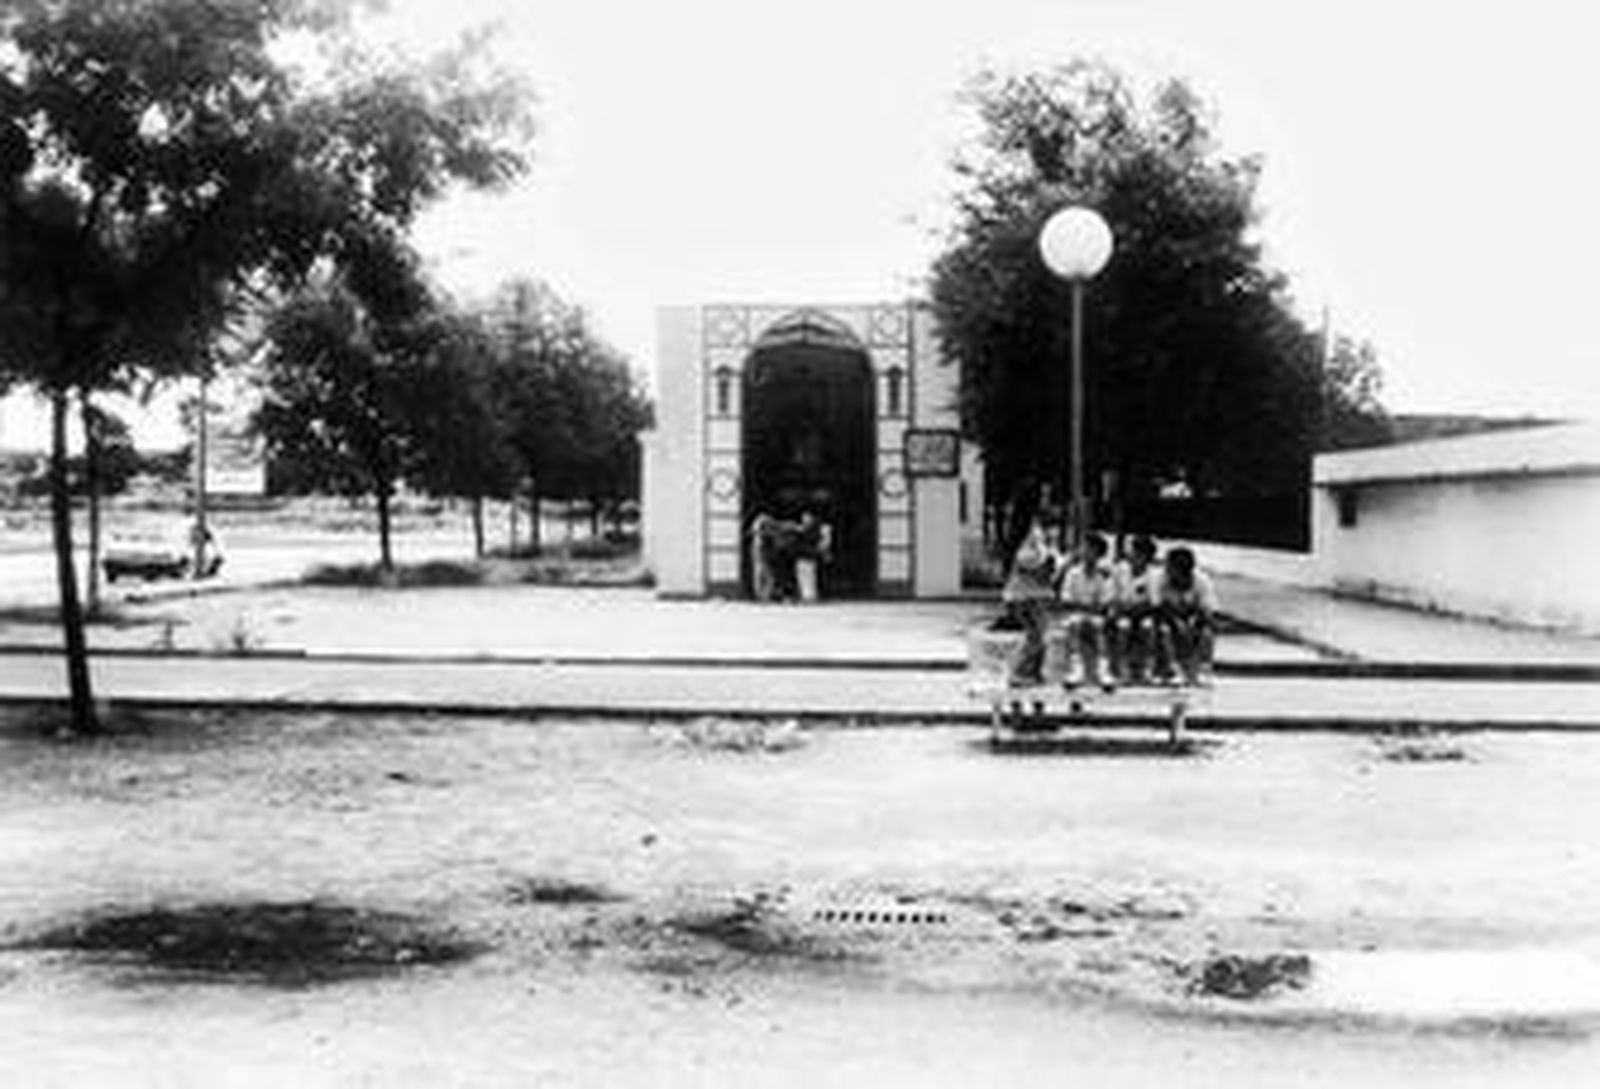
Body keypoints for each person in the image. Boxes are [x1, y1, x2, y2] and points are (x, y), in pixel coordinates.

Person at [999, 520, 1060, 688]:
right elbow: (1035, 565)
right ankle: (1018, 672)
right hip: (1025, 598)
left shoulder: (1043, 544)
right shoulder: (1029, 547)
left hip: (1036, 596)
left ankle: (1033, 671)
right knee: (1035, 636)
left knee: (1039, 635)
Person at [1058, 532, 1120, 690]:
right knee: (1075, 624)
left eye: (1090, 549)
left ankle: (1103, 671)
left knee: (1098, 626)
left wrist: (1087, 608)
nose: (1085, 553)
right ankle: (1075, 670)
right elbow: (1066, 601)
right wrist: (1087, 608)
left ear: (1099, 554)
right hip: (1076, 615)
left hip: (1096, 617)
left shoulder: (1105, 575)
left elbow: (1105, 604)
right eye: (1084, 548)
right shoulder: (1072, 573)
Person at [1154, 546, 1219, 685]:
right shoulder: (1161, 580)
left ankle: (1204, 669)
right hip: (1169, 620)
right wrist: (1176, 622)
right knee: (1163, 630)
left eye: (1169, 566)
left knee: (1208, 632)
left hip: (1194, 620)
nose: (1166, 569)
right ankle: (1172, 669)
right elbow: (1159, 606)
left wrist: (1193, 623)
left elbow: (1208, 610)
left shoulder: (1202, 581)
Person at [1109, 534, 1162, 684]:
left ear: (1145, 556)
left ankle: (1147, 669)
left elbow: (1154, 602)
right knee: (1123, 626)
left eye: (1135, 553)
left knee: (1148, 626)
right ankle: (1120, 669)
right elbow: (1113, 596)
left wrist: (1136, 609)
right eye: (1131, 552)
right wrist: (1122, 607)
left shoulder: (1155, 574)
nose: (1131, 556)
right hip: (1123, 613)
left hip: (1144, 614)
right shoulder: (1119, 570)